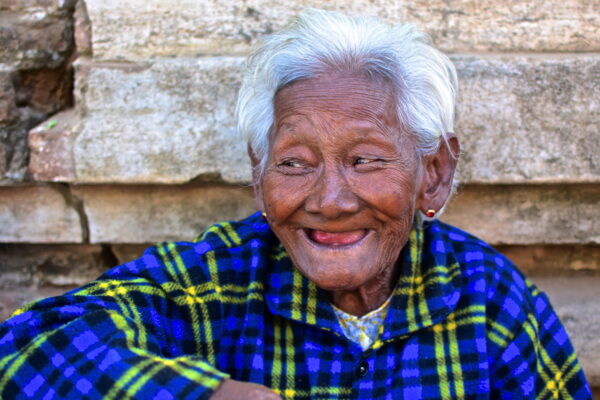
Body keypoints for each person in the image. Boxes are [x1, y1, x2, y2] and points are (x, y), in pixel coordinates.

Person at [0, 8, 592, 400]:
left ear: (432, 175)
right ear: (259, 178)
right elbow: (23, 347)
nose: (330, 201)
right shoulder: (214, 284)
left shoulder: (488, 295)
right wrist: (210, 395)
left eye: (365, 160)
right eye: (294, 163)